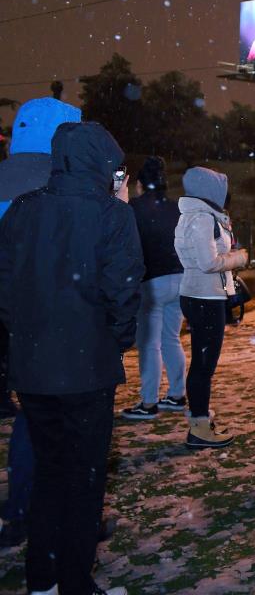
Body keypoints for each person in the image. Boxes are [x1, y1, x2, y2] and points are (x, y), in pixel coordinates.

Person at [0, 120, 140, 595]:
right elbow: (123, 292)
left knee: (50, 470)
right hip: (86, 369)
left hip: (34, 368)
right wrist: (114, 340)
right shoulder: (111, 215)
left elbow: (6, 287)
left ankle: (42, 577)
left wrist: (27, 336)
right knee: (83, 480)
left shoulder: (23, 209)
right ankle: (74, 582)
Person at [0, 98, 81, 550]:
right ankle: (58, 517)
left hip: (15, 318)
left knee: (32, 419)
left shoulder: (6, 177)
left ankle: (19, 512)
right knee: (56, 424)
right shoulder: (57, 184)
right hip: (52, 320)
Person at [174, 166, 248, 450]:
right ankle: (199, 426)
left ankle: (200, 417)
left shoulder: (191, 215)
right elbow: (208, 263)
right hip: (205, 297)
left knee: (202, 363)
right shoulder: (203, 218)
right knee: (204, 365)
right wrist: (238, 258)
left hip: (197, 294)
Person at [121, 156, 188, 420]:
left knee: (149, 343)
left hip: (151, 281)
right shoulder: (175, 208)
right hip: (179, 278)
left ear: (139, 184)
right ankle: (177, 394)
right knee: (171, 338)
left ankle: (148, 402)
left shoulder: (133, 208)